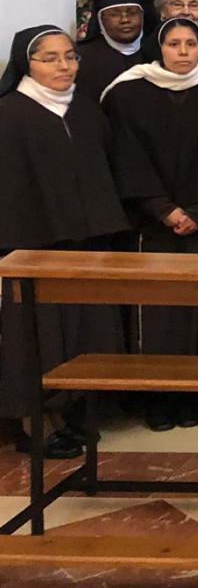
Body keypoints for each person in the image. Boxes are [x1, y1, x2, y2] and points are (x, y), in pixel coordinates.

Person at [102, 18, 198, 432]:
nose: (183, 52)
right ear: (158, 48)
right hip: (152, 222)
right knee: (159, 313)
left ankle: (195, 392)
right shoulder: (127, 93)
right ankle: (156, 396)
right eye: (174, 44)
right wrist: (162, 208)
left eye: (191, 44)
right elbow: (125, 156)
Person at [0, 26, 129, 459]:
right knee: (35, 336)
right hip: (28, 248)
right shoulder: (9, 114)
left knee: (83, 331)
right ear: (26, 63)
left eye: (70, 56)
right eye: (50, 58)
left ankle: (73, 409)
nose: (63, 66)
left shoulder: (87, 111)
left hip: (86, 244)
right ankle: (33, 421)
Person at [75, 0, 153, 99]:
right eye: (114, 14)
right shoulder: (82, 58)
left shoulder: (158, 51)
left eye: (132, 13)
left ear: (142, 16)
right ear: (101, 20)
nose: (125, 20)